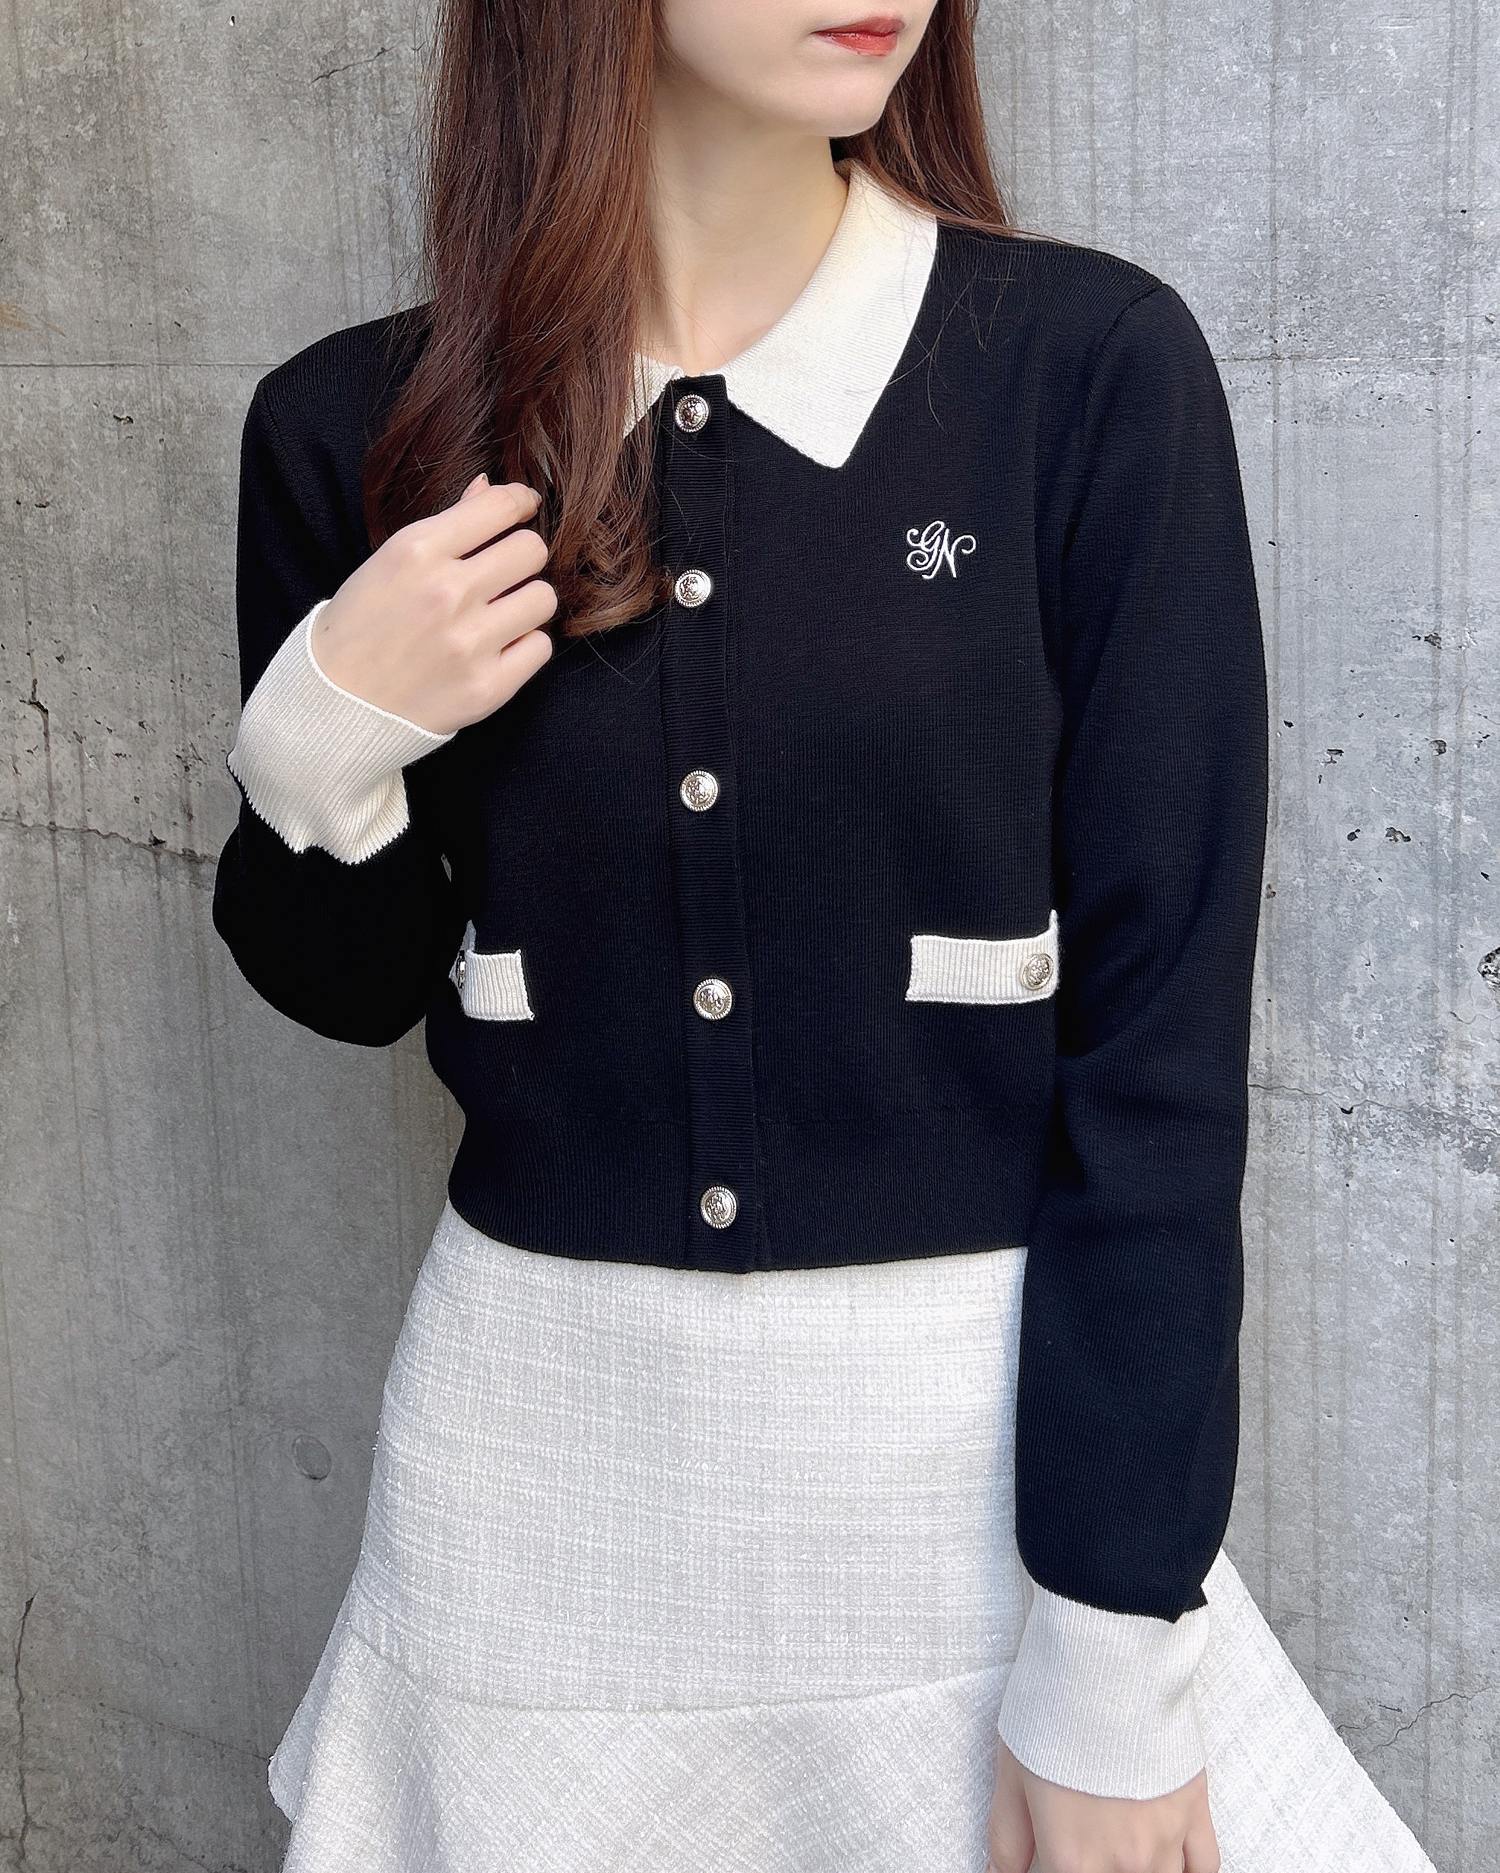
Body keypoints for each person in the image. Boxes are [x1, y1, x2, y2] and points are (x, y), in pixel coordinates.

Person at [212, 3, 1440, 1869]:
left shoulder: (1081, 377)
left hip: (973, 1483)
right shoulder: (360, 430)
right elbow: (347, 980)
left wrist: (1114, 1660)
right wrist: (322, 733)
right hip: (533, 1488)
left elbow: (1163, 1072)